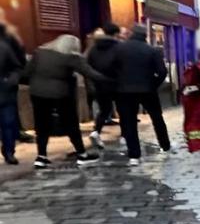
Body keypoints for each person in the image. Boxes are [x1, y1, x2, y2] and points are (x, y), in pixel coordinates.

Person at [24, 34, 108, 168]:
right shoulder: (71, 57)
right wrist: (111, 80)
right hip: (61, 94)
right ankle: (82, 154)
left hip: (38, 93)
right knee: (71, 123)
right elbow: (90, 73)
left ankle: (41, 157)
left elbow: (27, 72)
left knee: (41, 125)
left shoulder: (40, 52)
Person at [114, 24, 171, 165]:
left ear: (131, 34)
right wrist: (154, 84)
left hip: (125, 91)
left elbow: (111, 68)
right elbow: (162, 72)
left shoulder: (119, 49)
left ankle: (134, 155)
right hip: (148, 89)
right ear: (145, 35)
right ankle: (165, 145)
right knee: (157, 118)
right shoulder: (152, 50)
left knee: (129, 122)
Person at [87, 23, 121, 149]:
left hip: (100, 84)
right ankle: (125, 135)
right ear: (116, 34)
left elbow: (88, 65)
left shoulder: (94, 48)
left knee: (104, 110)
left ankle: (96, 131)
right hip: (117, 83)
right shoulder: (118, 47)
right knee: (123, 110)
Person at [0, 11, 25, 164]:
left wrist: (11, 81)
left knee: (7, 123)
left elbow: (17, 66)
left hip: (4, 90)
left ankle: (9, 151)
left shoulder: (4, 46)